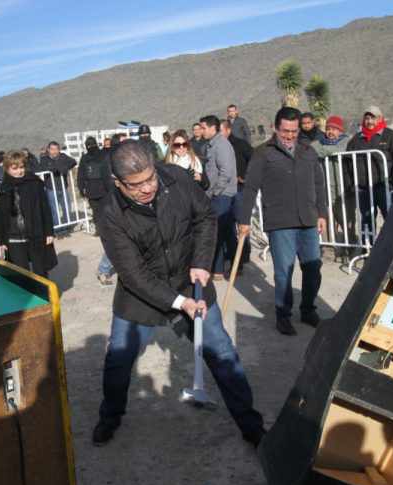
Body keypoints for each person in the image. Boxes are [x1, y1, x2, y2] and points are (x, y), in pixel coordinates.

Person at [91, 140, 265, 448]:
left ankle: (251, 424)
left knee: (221, 351)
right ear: (117, 182)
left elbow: (205, 218)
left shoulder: (178, 178)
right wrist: (179, 304)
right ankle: (110, 415)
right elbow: (132, 273)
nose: (146, 189)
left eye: (150, 178)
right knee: (119, 357)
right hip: (140, 294)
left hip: (190, 280)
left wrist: (201, 262)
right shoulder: (109, 212)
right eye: (135, 186)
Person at [238, 107, 327, 336]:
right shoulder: (262, 153)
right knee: (283, 272)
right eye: (285, 131)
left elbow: (319, 185)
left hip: (308, 220)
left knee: (313, 268)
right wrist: (244, 219)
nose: (289, 135)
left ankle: (308, 310)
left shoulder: (308, 151)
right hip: (280, 222)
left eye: (294, 131)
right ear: (275, 128)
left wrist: (322, 214)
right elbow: (250, 188)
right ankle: (283, 315)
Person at [345, 106, 393, 239]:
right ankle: (368, 250)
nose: (370, 121)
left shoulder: (391, 136)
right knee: (366, 220)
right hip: (363, 189)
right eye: (367, 118)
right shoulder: (356, 140)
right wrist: (351, 184)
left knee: (391, 219)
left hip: (385, 187)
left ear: (380, 118)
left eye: (373, 118)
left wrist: (392, 182)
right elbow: (347, 163)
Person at [0, 151, 57, 276]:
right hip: (13, 237)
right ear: (7, 168)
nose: (19, 171)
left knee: (40, 270)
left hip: (35, 234)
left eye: (21, 167)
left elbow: (45, 208)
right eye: (14, 168)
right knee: (21, 273)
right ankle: (27, 295)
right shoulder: (2, 188)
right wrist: (0, 241)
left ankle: (43, 295)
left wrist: (49, 231)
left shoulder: (34, 183)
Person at [311, 116, 356, 261]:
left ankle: (349, 247)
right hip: (325, 189)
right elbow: (312, 148)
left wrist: (323, 150)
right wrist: (325, 150)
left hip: (343, 189)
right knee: (327, 219)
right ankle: (329, 248)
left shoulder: (346, 141)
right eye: (329, 128)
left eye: (334, 129)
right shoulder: (319, 141)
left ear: (340, 130)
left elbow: (339, 148)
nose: (331, 132)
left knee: (345, 218)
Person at [200, 115, 238, 279]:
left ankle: (218, 270)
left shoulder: (221, 145)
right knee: (228, 232)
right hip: (219, 193)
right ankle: (235, 266)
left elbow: (226, 171)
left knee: (218, 233)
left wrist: (216, 191)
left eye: (203, 128)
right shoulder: (212, 144)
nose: (201, 131)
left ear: (211, 128)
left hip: (222, 194)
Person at [77, 136, 116, 285]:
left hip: (104, 189)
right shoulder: (85, 158)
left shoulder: (103, 156)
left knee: (105, 215)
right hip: (94, 190)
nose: (91, 147)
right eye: (89, 145)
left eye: (92, 144)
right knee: (98, 216)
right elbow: (81, 174)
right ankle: (102, 231)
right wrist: (82, 189)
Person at [220, 119, 253, 270]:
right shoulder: (218, 146)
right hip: (225, 191)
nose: (219, 134)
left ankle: (244, 252)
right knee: (228, 222)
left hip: (240, 190)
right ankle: (232, 252)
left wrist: (245, 176)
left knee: (241, 221)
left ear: (228, 130)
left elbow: (254, 159)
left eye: (220, 131)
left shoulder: (240, 144)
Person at [39, 141, 77, 228]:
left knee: (67, 208)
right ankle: (58, 228)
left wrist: (65, 167)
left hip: (63, 187)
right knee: (54, 210)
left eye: (56, 149)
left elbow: (73, 162)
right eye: (52, 149)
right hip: (51, 189)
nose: (54, 151)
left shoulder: (63, 156)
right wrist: (56, 169)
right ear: (48, 150)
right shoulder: (44, 158)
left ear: (59, 149)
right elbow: (43, 167)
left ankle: (66, 226)